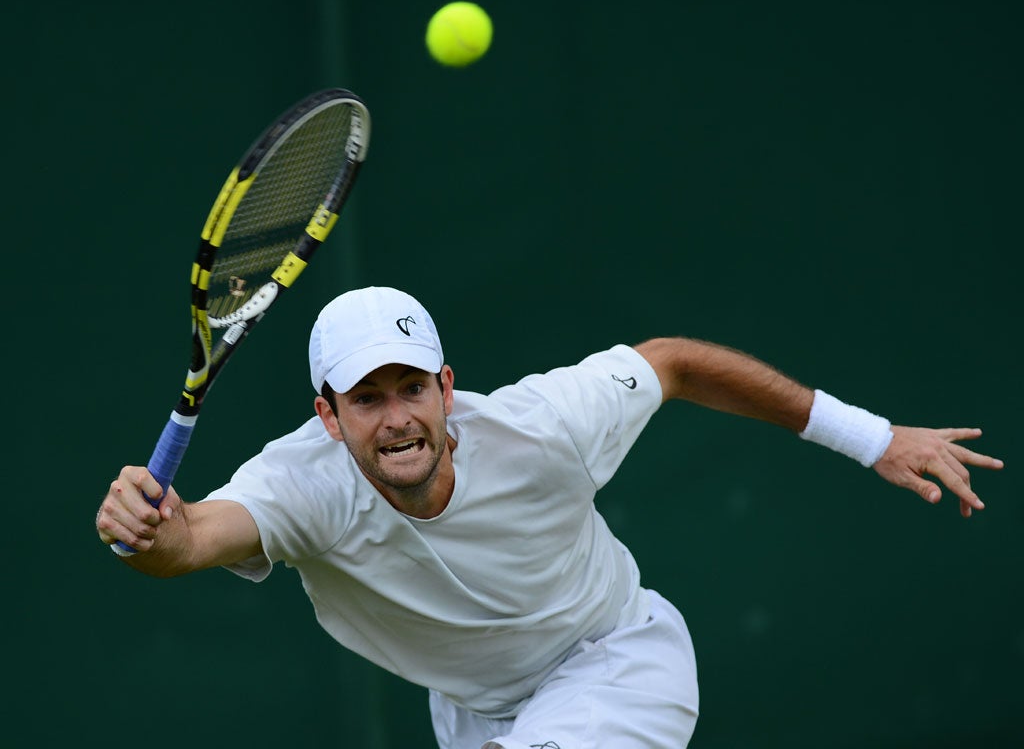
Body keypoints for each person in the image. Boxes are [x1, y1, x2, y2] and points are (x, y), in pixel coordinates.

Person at [96, 286, 1003, 749]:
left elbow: (674, 360)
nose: (399, 416)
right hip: (473, 714)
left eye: (412, 387)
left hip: (614, 664)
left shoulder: (546, 421)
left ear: (447, 389)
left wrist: (872, 437)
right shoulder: (302, 484)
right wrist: (150, 531)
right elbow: (188, 543)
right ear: (328, 416)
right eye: (367, 400)